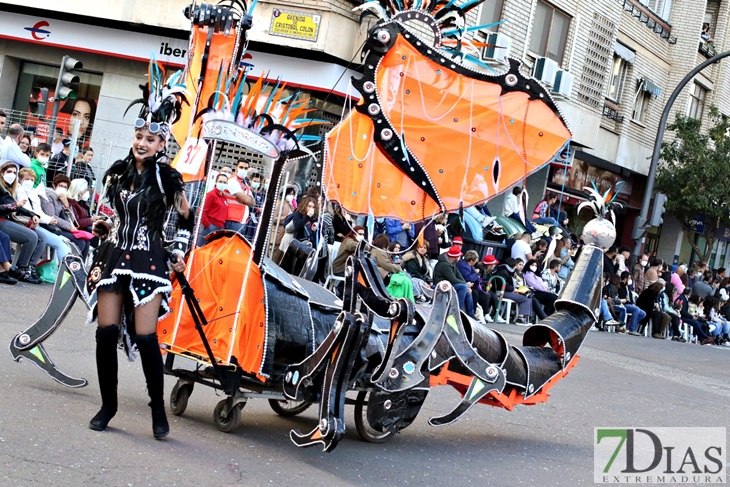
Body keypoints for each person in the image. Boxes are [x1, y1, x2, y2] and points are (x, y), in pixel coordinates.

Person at [84, 73, 192, 439]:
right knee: (106, 332)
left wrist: (177, 251)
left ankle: (157, 409)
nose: (142, 143)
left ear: (162, 143)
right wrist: (103, 224)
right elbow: (114, 213)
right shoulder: (119, 174)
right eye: (138, 137)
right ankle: (107, 406)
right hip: (115, 255)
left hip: (149, 260)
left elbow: (182, 220)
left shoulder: (167, 179)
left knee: (147, 338)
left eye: (150, 139)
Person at [0, 161, 44, 283]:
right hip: (2, 220)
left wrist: (32, 214)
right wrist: (14, 205)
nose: (12, 175)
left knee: (41, 237)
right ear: (2, 172)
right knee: (31, 237)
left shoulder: (10, 188)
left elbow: (18, 207)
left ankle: (28, 268)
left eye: (14, 172)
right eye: (9, 172)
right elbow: (10, 206)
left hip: (7, 219)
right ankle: (21, 269)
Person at [16, 168, 71, 263]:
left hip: (37, 224)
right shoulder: (18, 191)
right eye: (27, 179)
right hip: (25, 223)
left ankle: (62, 270)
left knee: (65, 241)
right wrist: (49, 220)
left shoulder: (32, 193)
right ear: (20, 180)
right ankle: (31, 267)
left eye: (32, 180)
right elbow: (29, 212)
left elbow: (38, 211)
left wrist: (50, 219)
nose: (30, 182)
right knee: (55, 242)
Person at [40, 174, 90, 258]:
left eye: (65, 187)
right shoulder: (48, 195)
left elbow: (72, 218)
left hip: (60, 227)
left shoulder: (63, 198)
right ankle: (70, 266)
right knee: (79, 242)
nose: (62, 188)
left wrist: (66, 204)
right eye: (60, 186)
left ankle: (79, 267)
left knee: (87, 242)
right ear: (54, 185)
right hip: (50, 226)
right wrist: (69, 226)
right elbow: (51, 216)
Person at [433, 245, 474, 316]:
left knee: (467, 289)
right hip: (442, 286)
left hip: (450, 284)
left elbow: (459, 276)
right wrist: (466, 285)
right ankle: (456, 311)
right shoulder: (444, 265)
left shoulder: (452, 263)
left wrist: (466, 285)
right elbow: (453, 279)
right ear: (455, 257)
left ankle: (471, 314)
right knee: (463, 287)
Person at [457, 250, 498, 321]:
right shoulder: (463, 266)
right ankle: (471, 314)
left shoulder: (471, 266)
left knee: (485, 295)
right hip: (466, 285)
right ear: (472, 260)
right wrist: (477, 274)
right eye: (476, 259)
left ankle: (485, 314)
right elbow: (469, 278)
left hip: (474, 286)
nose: (477, 261)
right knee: (475, 295)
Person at [492, 257, 533, 324]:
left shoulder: (505, 270)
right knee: (525, 298)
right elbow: (504, 285)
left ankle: (525, 318)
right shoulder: (503, 272)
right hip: (502, 292)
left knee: (528, 295)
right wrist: (514, 289)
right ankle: (520, 318)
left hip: (506, 291)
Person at [223, 159, 256, 234]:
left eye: (246, 168)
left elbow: (253, 203)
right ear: (236, 168)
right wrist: (246, 199)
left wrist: (246, 200)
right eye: (241, 167)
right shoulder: (232, 181)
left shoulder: (244, 183)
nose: (243, 170)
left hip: (241, 220)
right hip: (232, 220)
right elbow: (246, 200)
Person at [197, 172, 229, 247]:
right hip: (210, 226)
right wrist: (207, 225)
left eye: (224, 182)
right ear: (216, 182)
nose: (222, 184)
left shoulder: (224, 197)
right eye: (220, 181)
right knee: (200, 247)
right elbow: (202, 210)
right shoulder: (211, 194)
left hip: (219, 228)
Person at [270, 185, 297, 263]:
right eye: (290, 194)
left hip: (284, 237)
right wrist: (287, 218)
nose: (291, 196)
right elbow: (274, 218)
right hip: (276, 236)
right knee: (273, 259)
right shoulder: (279, 203)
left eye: (293, 194)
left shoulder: (289, 204)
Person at [243, 171, 266, 241]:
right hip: (245, 219)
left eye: (258, 182)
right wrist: (257, 209)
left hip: (255, 221)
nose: (256, 183)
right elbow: (246, 204)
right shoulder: (246, 191)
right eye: (254, 181)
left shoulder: (261, 195)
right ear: (250, 181)